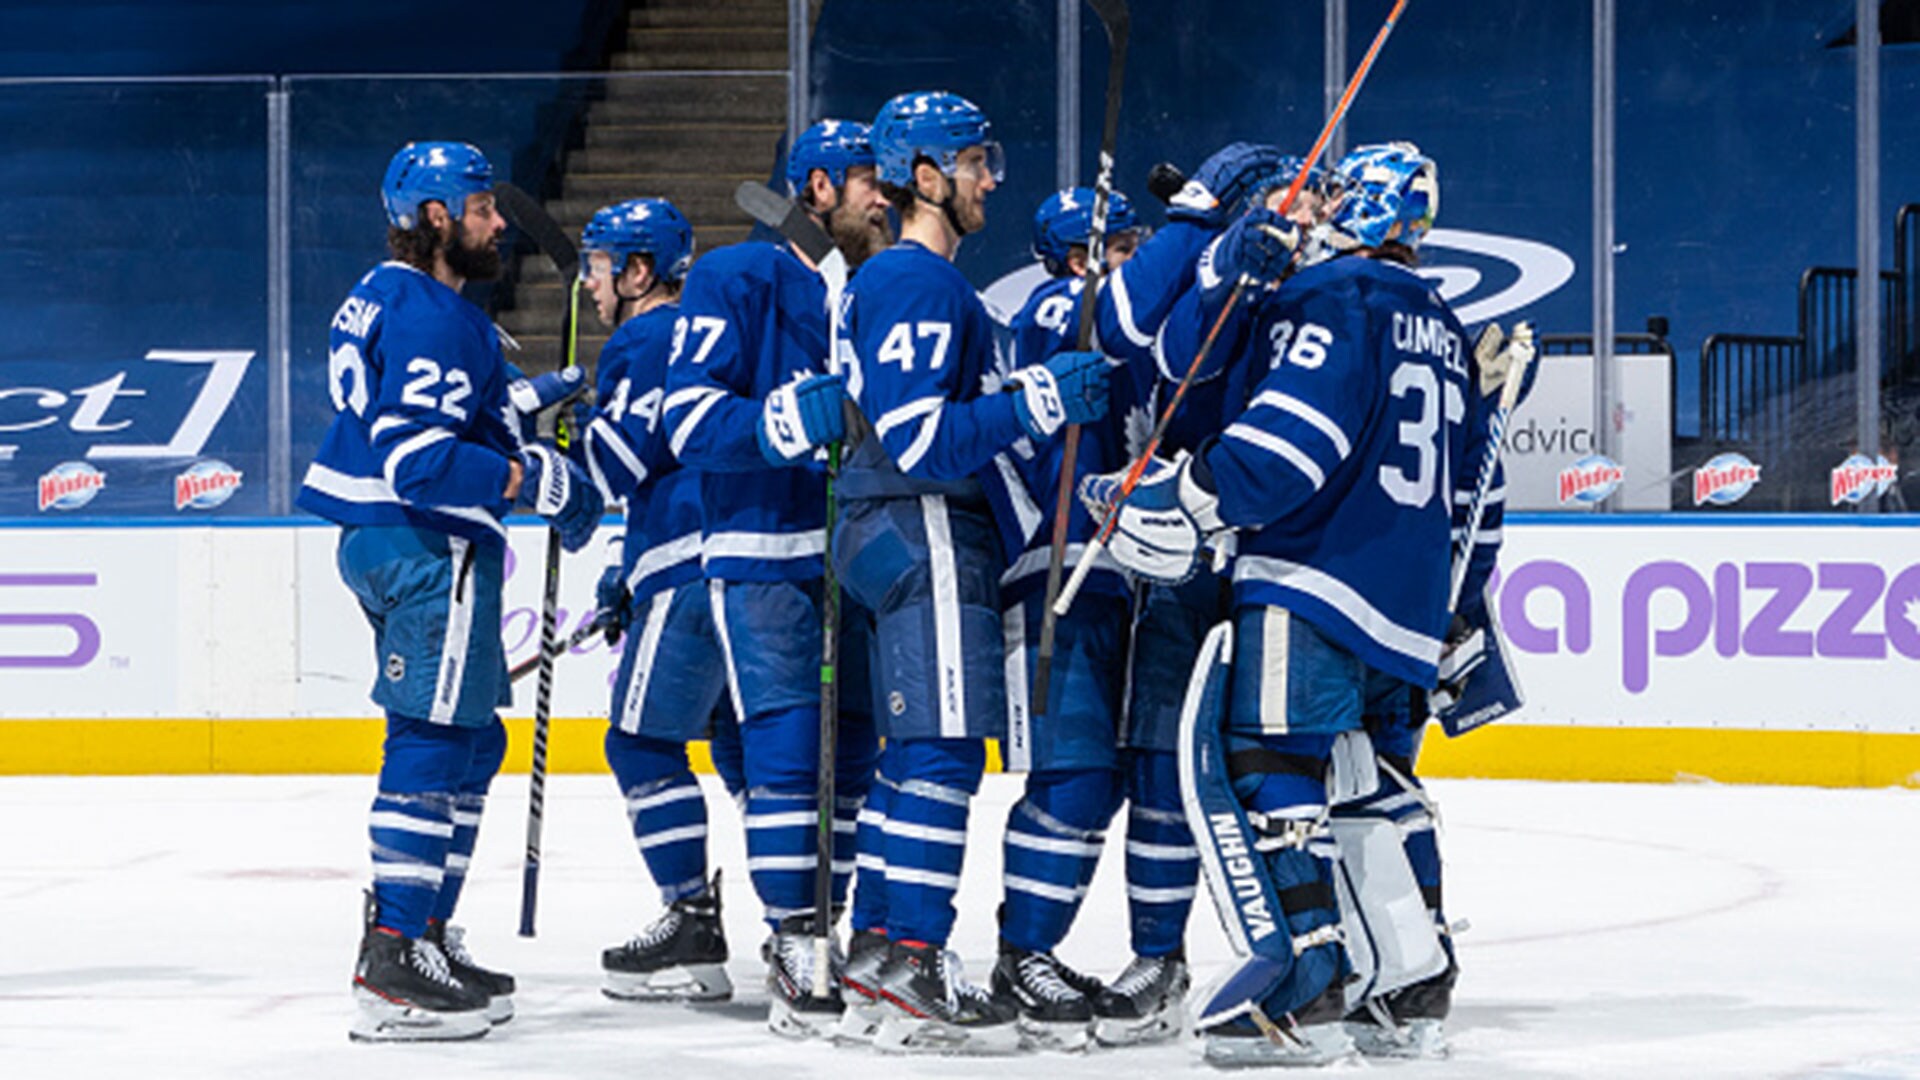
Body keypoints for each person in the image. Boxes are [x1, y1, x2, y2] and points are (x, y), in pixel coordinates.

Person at [1080, 142, 1500, 1067]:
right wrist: (1460, 607)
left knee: (1274, 772)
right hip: (1409, 604)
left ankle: (1301, 987)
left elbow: (1293, 438)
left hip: (1312, 580)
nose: (1325, 209)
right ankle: (1413, 984)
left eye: (1343, 196)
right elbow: (1480, 495)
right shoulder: (1446, 323)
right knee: (1379, 783)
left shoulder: (1331, 297)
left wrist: (1195, 494)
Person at [299, 141, 603, 1042]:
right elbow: (421, 458)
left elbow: (429, 407)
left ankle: (423, 932)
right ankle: (394, 956)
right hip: (429, 543)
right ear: (434, 216)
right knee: (434, 734)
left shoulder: (385, 297)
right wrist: (530, 481)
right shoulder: (438, 313)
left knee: (472, 738)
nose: (497, 221)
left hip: (384, 538)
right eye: (479, 207)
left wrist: (526, 401)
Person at [831, 90, 1108, 1055]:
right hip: (924, 526)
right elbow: (917, 440)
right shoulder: (921, 282)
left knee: (911, 761)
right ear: (923, 175)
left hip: (883, 530)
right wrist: (1035, 397)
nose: (992, 176)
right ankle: (914, 957)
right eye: (974, 159)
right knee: (943, 754)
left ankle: (876, 952)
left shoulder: (906, 282)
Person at [1089, 146, 1330, 1048]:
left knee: (1302, 767)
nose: (1304, 212)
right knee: (1164, 758)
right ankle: (1160, 956)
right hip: (1198, 548)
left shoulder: (1330, 282)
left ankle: (1334, 952)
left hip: (1301, 558)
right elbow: (1172, 355)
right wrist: (1221, 258)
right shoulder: (1214, 265)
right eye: (1288, 197)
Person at [660, 119, 886, 1038]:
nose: (886, 197)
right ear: (820, 188)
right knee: (792, 760)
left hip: (865, 556)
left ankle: (844, 925)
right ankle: (797, 935)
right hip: (762, 553)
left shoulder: (879, 282)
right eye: (870, 179)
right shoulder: (734, 276)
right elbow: (686, 418)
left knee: (862, 759)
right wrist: (784, 422)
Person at [569, 198, 746, 1003]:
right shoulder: (712, 330)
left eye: (600, 265)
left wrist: (555, 435)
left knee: (640, 745)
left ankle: (689, 922)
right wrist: (624, 571)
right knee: (753, 756)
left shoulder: (644, 336)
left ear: (639, 271)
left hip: (689, 567)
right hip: (742, 564)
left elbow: (615, 467)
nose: (590, 283)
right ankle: (805, 928)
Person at [984, 184, 1144, 1050]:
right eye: (1119, 246)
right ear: (1081, 258)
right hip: (1059, 570)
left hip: (1116, 575)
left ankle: (1034, 948)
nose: (1130, 258)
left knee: (1108, 781)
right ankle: (1024, 951)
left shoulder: (1100, 315)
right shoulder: (1056, 307)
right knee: (1071, 778)